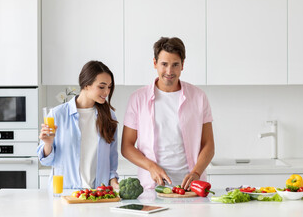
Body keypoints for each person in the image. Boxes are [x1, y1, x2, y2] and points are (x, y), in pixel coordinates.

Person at [121, 37, 215, 190]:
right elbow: (126, 146)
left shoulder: (199, 97)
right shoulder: (138, 98)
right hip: (152, 187)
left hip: (192, 189)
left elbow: (209, 144)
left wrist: (196, 173)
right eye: (164, 64)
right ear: (155, 63)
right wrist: (151, 167)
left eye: (175, 65)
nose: (169, 71)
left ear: (182, 65)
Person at [37, 60, 119, 189]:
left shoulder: (109, 116)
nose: (107, 92)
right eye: (102, 87)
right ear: (86, 85)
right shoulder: (57, 114)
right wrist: (48, 143)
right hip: (66, 194)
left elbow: (112, 161)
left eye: (109, 87)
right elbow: (46, 161)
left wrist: (114, 181)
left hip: (97, 194)